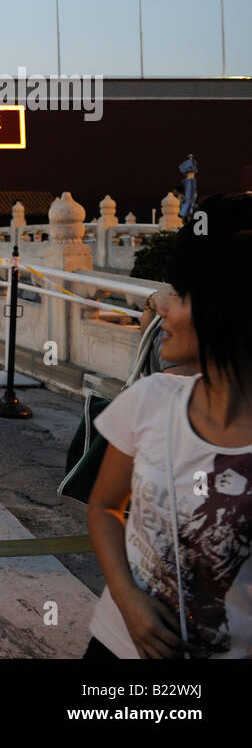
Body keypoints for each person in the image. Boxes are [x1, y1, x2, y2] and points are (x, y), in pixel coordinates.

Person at [86, 193, 252, 659]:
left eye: (178, 293)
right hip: (116, 644)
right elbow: (102, 506)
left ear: (222, 308)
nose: (160, 306)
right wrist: (127, 599)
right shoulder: (151, 400)